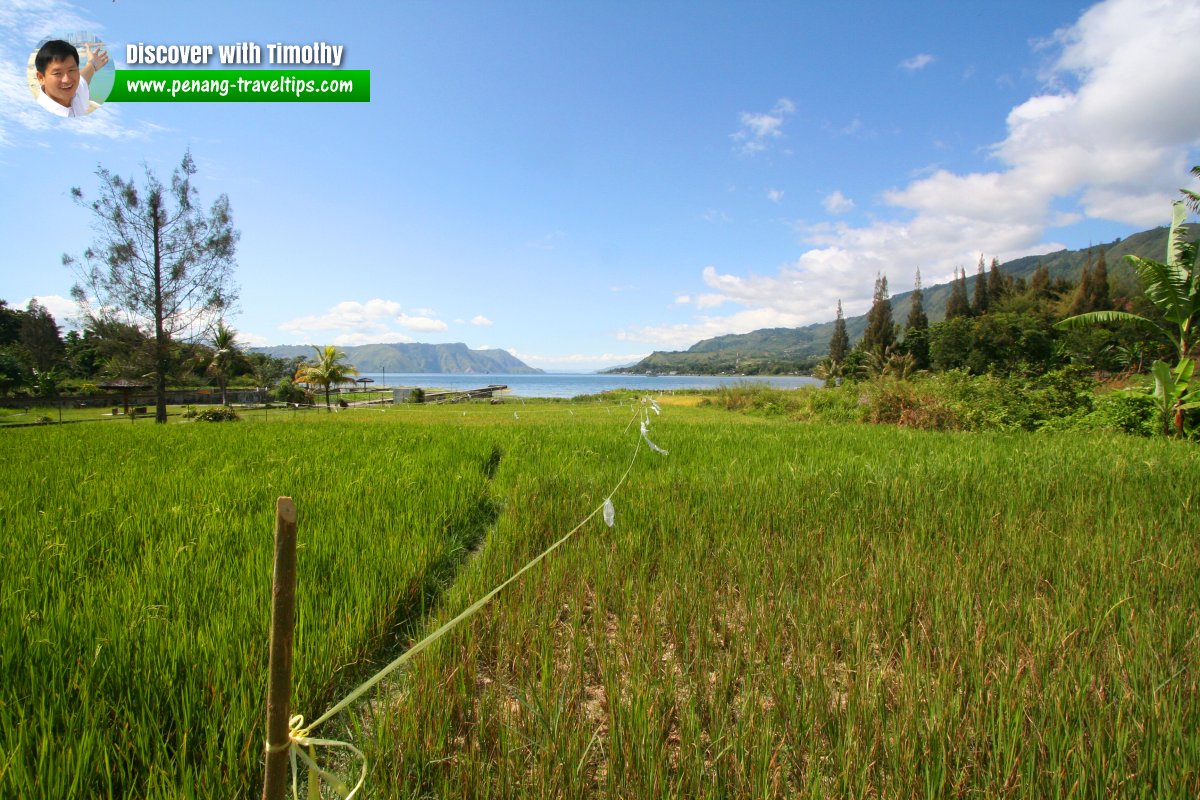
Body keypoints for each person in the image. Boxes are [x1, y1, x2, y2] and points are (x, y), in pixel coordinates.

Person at [34, 39, 108, 118]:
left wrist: (92, 64)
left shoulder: (76, 92)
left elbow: (83, 78)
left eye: (71, 70)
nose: (67, 80)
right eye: (57, 73)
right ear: (41, 78)